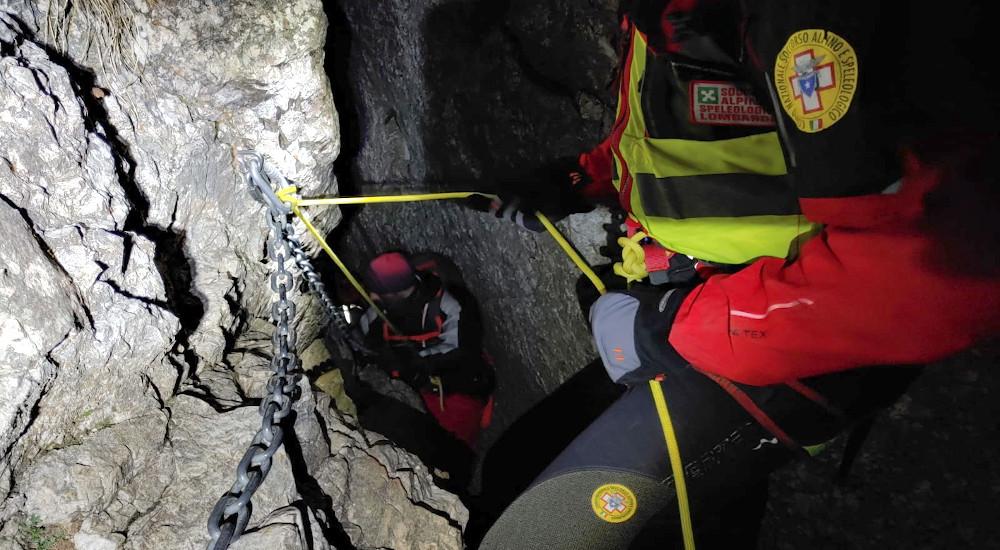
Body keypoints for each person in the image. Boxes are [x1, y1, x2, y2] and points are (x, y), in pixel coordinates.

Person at [359, 251, 495, 449]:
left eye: (378, 291)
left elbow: (461, 351)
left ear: (398, 291)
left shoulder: (450, 305)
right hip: (412, 384)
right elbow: (364, 342)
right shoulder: (378, 312)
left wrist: (413, 362)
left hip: (451, 384)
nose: (371, 296)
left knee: (452, 442)